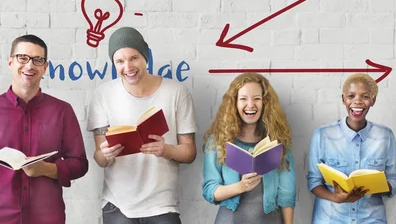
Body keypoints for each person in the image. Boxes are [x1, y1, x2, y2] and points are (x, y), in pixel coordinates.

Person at [87, 27, 197, 223]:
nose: (128, 66)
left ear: (145, 57)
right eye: (120, 61)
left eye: (134, 58)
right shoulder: (103, 94)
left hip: (162, 205)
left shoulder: (177, 92)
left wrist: (167, 150)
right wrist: (105, 154)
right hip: (117, 205)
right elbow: (99, 158)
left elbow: (190, 153)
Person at [0, 34, 88, 224]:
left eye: (37, 60)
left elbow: (80, 164)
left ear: (45, 67)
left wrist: (47, 169)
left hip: (47, 217)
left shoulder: (62, 110)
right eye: (22, 58)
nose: (30, 65)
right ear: (10, 62)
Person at [307, 73, 396, 223]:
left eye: (365, 96)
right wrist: (335, 197)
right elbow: (313, 181)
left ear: (373, 100)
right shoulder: (323, 135)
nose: (357, 101)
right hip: (331, 218)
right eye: (351, 96)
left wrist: (377, 186)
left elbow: (394, 180)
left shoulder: (385, 136)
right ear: (343, 99)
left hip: (371, 219)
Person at [202, 73, 296, 223]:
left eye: (257, 99)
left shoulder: (279, 141)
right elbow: (209, 190)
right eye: (243, 99)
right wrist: (241, 186)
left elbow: (287, 193)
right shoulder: (217, 141)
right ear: (234, 103)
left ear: (265, 103)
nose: (251, 105)